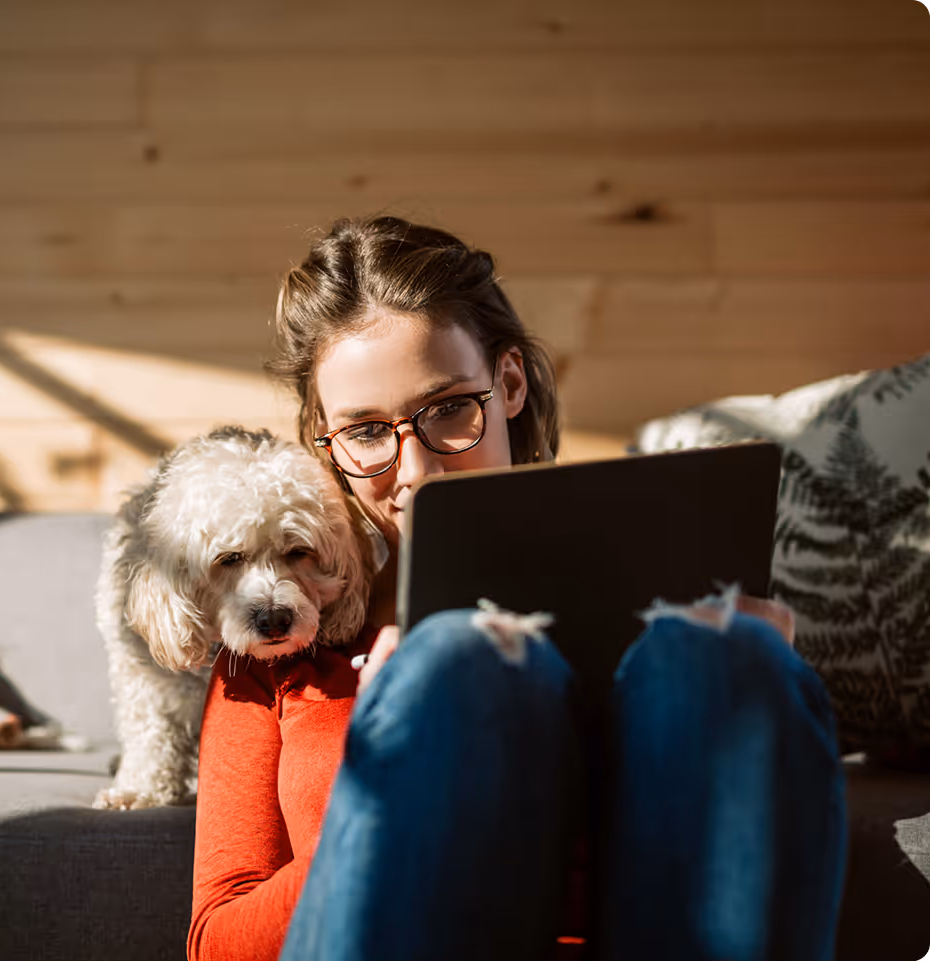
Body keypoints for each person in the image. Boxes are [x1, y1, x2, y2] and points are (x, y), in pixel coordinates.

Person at [188, 215, 847, 961]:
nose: (417, 472)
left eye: (446, 410)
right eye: (366, 431)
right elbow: (216, 942)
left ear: (507, 383)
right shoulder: (274, 651)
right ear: (325, 441)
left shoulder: (664, 629)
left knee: (728, 661)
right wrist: (393, 779)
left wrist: (758, 688)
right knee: (461, 667)